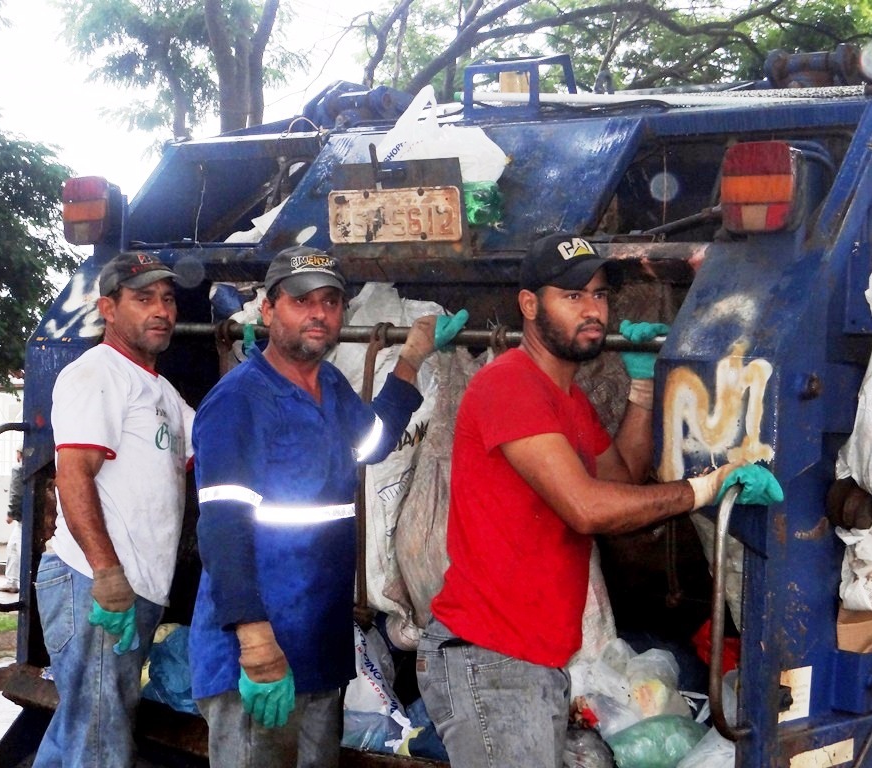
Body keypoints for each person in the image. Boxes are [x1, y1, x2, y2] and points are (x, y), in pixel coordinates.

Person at [416, 233, 783, 768]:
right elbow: (587, 508)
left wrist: (640, 390)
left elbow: (623, 480)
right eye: (572, 296)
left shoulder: (566, 397)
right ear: (528, 305)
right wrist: (702, 490)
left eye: (600, 296)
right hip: (488, 657)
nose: (593, 311)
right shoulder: (510, 385)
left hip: (534, 659)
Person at [189, 245, 467, 768]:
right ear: (269, 311)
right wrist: (255, 642)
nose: (319, 313)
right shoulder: (239, 401)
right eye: (301, 301)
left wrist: (410, 360)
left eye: (331, 301)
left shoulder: (332, 387)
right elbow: (223, 530)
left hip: (320, 649)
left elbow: (372, 444)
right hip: (259, 658)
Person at [33, 253, 195, 768]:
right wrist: (107, 574)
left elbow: (213, 447)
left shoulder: (161, 391)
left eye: (167, 299)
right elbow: (73, 475)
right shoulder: (97, 373)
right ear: (108, 308)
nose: (161, 311)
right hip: (95, 585)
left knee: (81, 729)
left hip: (131, 587)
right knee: (99, 739)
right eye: (143, 298)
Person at [0, 448, 24, 594]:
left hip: (23, 518)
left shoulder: (19, 469)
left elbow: (15, 493)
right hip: (31, 516)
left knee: (19, 548)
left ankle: (21, 582)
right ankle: (12, 581)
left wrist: (11, 513)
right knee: (13, 547)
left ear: (20, 454)